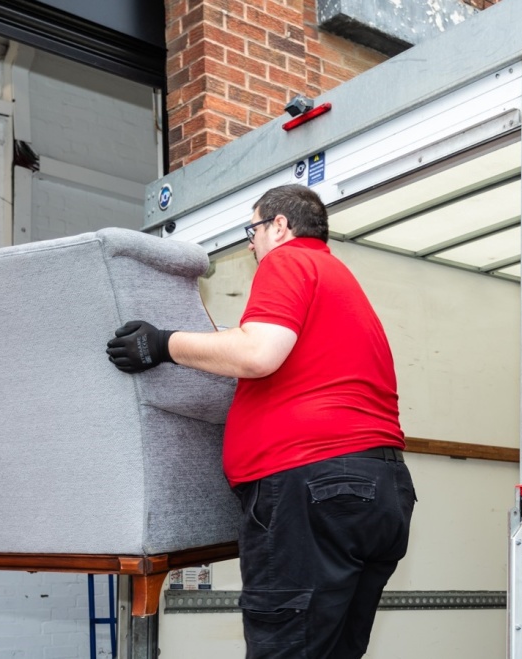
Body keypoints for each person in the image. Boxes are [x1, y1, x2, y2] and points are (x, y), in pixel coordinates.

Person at [106, 184, 415, 659]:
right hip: (378, 492)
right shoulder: (337, 280)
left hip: (313, 491)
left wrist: (162, 344)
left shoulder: (289, 261)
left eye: (253, 230)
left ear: (279, 226)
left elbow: (257, 353)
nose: (251, 244)